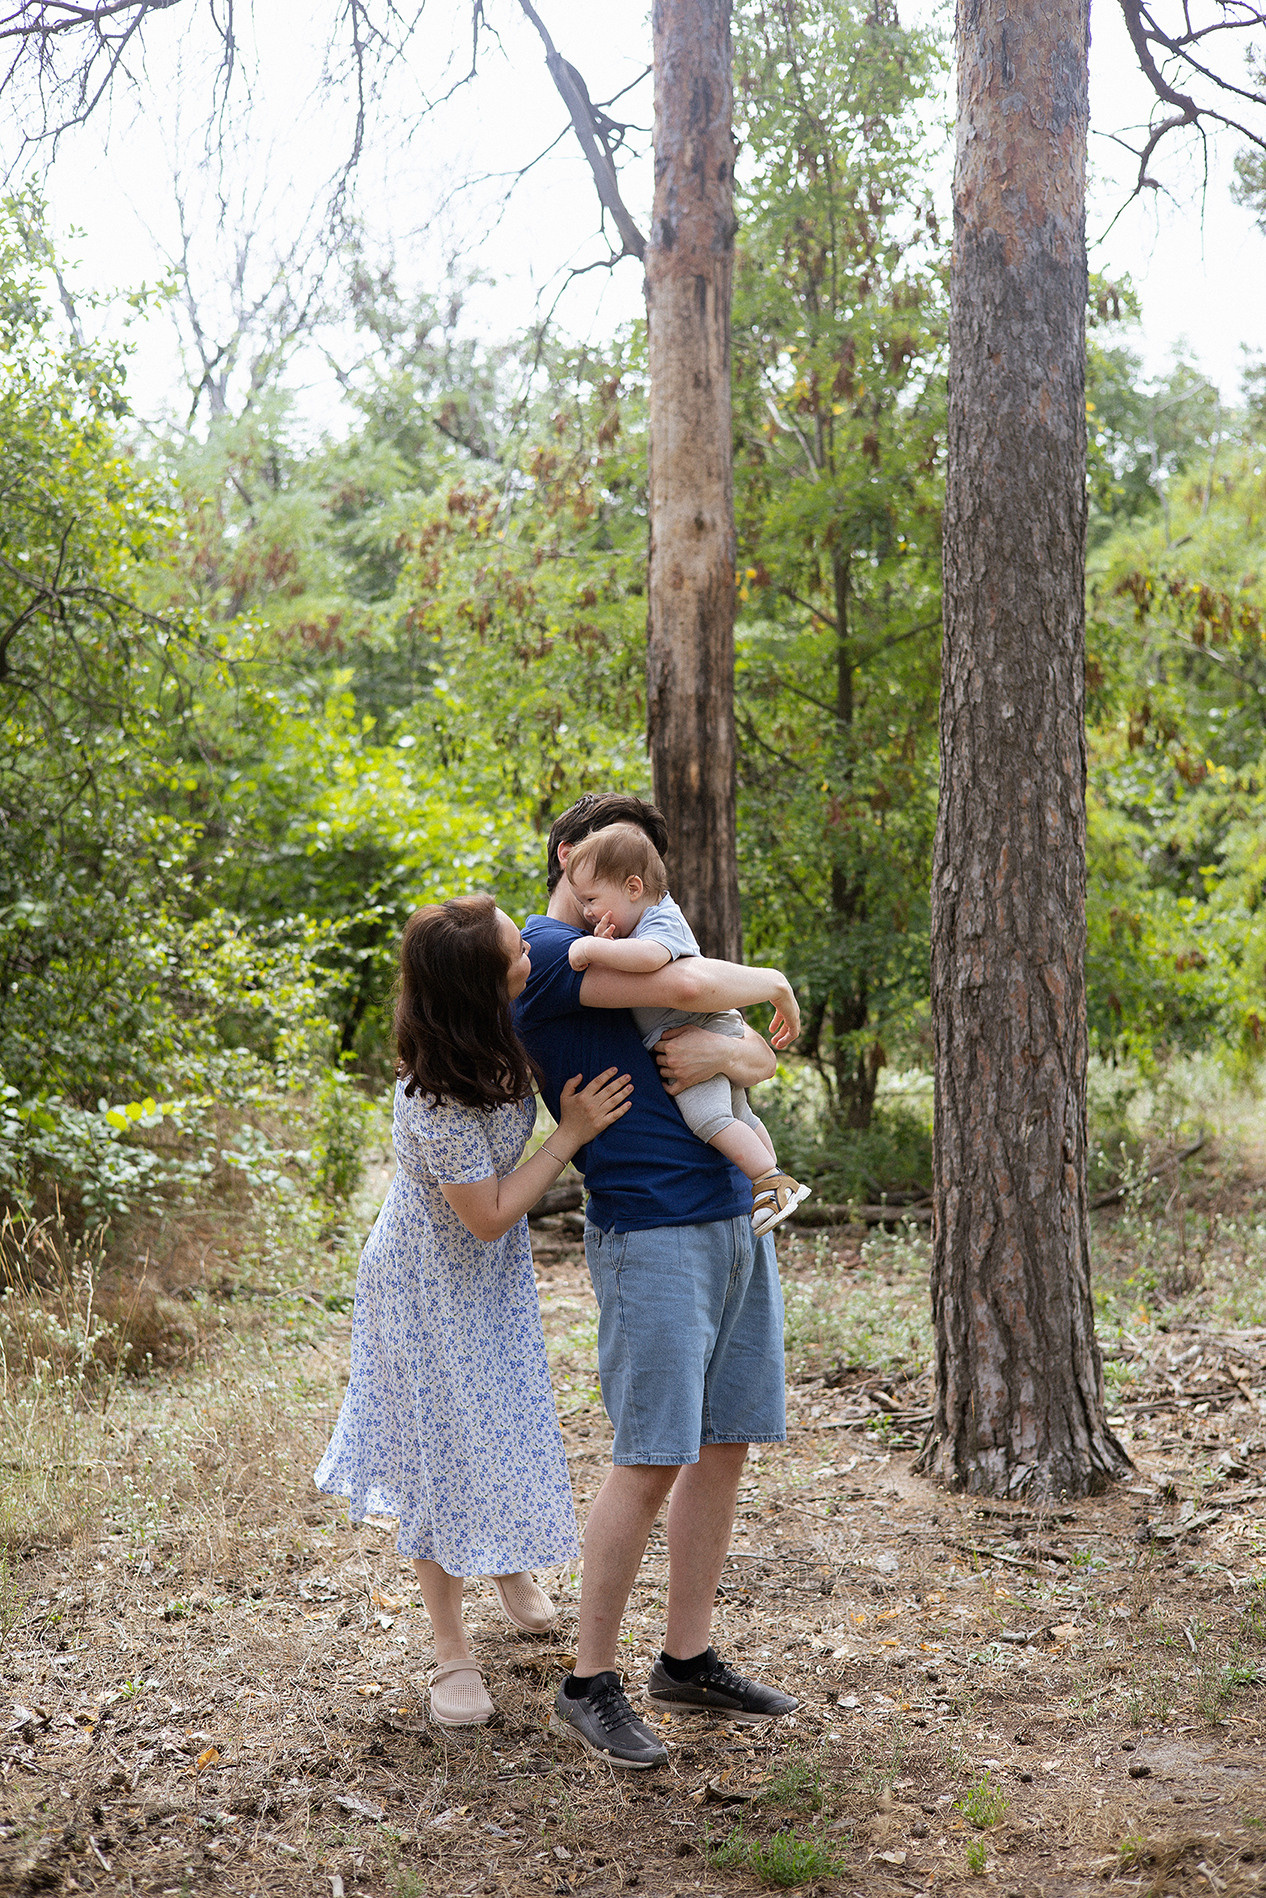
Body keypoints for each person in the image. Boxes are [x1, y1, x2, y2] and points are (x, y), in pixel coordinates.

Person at [513, 793, 800, 1771]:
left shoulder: (636, 937)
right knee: (648, 1457)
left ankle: (686, 1657)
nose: (626, 906)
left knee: (722, 1444)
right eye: (606, 881)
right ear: (569, 859)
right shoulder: (550, 950)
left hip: (731, 1213)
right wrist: (768, 982)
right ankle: (590, 1681)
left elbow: (748, 1047)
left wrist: (738, 1041)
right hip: (653, 1232)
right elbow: (692, 994)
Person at [314, 895, 633, 1729]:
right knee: (442, 1449)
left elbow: (568, 935)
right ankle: (450, 1651)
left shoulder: (496, 1027)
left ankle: (504, 1565)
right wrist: (569, 1135)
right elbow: (488, 1213)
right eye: (513, 950)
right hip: (427, 1284)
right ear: (477, 985)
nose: (530, 950)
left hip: (485, 1280)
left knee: (500, 1425)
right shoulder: (435, 1097)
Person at [564, 822, 812, 1235]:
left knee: (707, 1117)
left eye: (591, 899)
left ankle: (770, 1179)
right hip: (706, 1030)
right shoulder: (642, 921)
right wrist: (606, 938)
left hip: (698, 1028)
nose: (587, 911)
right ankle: (772, 1181)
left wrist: (594, 947)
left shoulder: (662, 920)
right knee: (739, 1114)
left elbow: (651, 959)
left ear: (632, 887)